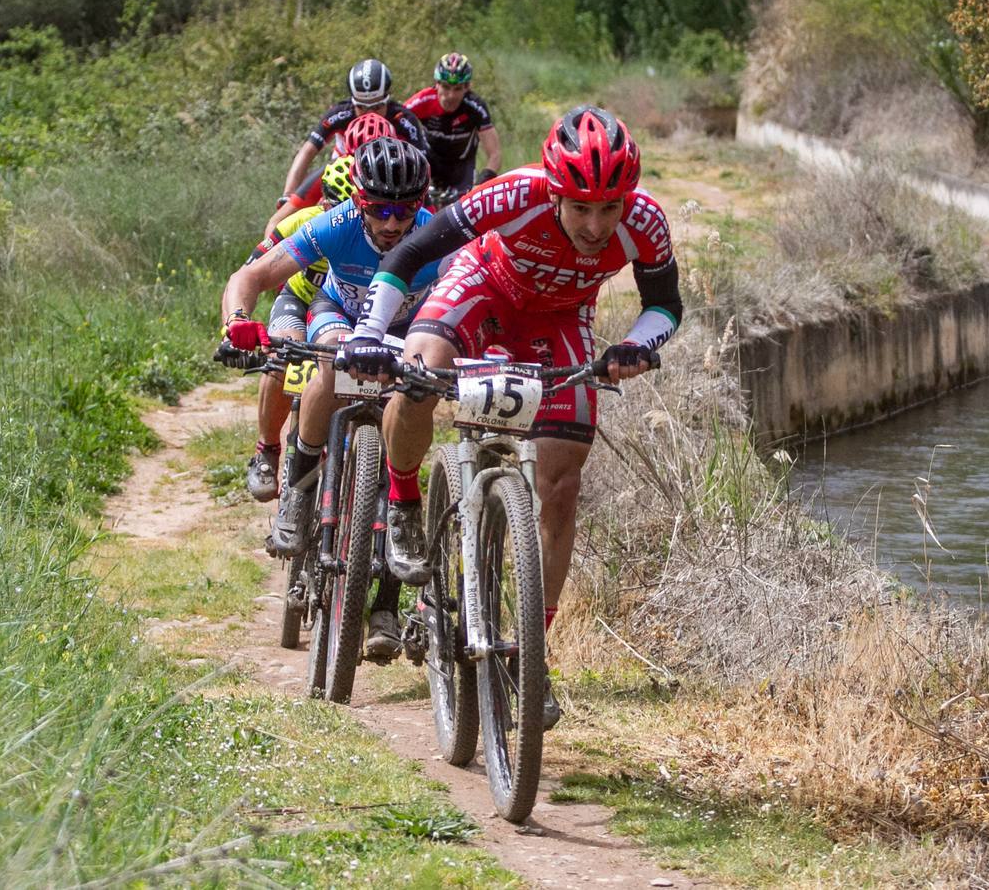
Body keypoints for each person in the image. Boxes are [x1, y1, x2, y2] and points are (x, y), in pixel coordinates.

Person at [339, 105, 681, 726]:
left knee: (562, 484)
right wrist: (369, 332)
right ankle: (404, 499)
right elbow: (410, 252)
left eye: (609, 208)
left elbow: (665, 307)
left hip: (560, 318)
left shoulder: (646, 222)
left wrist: (635, 346)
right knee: (417, 374)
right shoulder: (514, 194)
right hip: (483, 287)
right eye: (580, 207)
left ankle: (532, 653)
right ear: (555, 189)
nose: (596, 225)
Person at [221, 137, 446, 656]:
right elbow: (254, 274)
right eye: (380, 210)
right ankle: (298, 495)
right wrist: (237, 321)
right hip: (339, 316)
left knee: (414, 401)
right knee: (327, 361)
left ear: (421, 205)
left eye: (405, 211)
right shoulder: (336, 225)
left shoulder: (436, 234)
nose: (392, 224)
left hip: (410, 325)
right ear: (358, 203)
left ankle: (394, 550)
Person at [239, 153, 357, 503]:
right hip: (299, 300)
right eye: (337, 208)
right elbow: (254, 267)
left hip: (345, 312)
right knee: (282, 357)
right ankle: (267, 450)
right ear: (323, 203)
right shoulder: (303, 223)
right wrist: (240, 322)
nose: (344, 218)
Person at [279, 59, 428, 205]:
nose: (370, 113)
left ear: (387, 98)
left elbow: (422, 163)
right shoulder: (341, 113)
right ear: (353, 102)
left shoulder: (404, 119)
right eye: (362, 107)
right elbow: (308, 151)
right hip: (342, 170)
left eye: (377, 107)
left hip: (385, 174)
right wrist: (288, 193)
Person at [266, 112, 396, 236]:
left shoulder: (405, 174)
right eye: (355, 158)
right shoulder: (334, 172)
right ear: (346, 154)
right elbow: (276, 221)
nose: (367, 169)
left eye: (378, 162)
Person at [404, 53, 502, 195]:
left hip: (461, 166)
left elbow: (495, 154)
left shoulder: (475, 107)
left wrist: (482, 181)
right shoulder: (423, 101)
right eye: (445, 87)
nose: (450, 95)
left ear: (467, 87)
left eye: (457, 89)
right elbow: (395, 123)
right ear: (437, 84)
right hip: (429, 162)